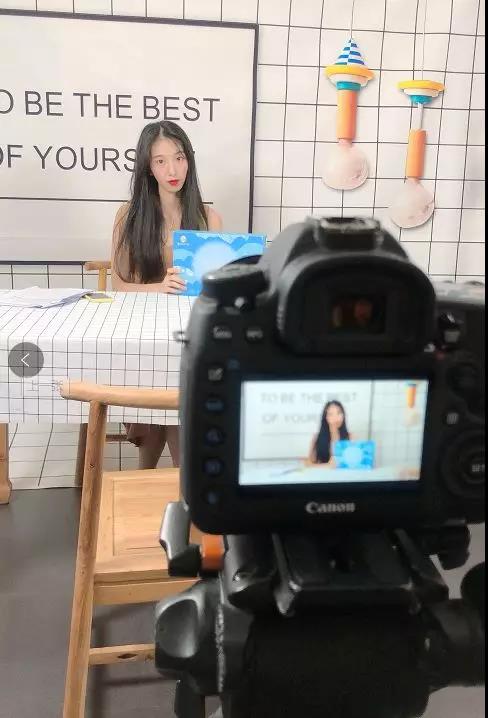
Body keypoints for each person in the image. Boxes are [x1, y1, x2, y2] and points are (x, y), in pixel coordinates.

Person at [111, 120, 223, 469]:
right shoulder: (129, 216)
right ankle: (162, 477)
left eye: (179, 158)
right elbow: (119, 285)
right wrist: (159, 287)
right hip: (143, 332)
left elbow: (216, 285)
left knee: (181, 392)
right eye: (160, 161)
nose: (172, 170)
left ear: (189, 159)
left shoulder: (208, 218)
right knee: (162, 397)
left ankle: (173, 479)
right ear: (148, 167)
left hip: (189, 332)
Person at [307, 400, 351, 467]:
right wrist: (327, 466)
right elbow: (308, 464)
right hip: (322, 473)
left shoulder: (350, 437)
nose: (335, 417)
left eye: (339, 413)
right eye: (331, 414)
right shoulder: (317, 437)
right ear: (326, 418)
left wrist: (334, 433)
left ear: (343, 415)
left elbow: (352, 464)